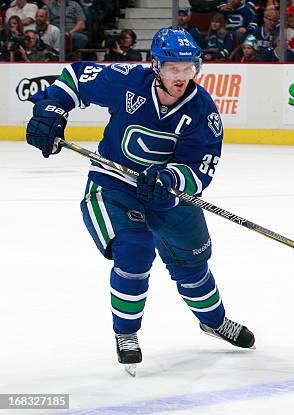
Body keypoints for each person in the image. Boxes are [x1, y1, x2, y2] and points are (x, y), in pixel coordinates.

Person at [25, 27, 255, 374]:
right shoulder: (128, 81)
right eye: (173, 69)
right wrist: (52, 111)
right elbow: (75, 76)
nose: (182, 77)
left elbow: (200, 169)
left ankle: (214, 321)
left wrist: (170, 179)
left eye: (188, 68)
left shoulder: (203, 113)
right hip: (113, 185)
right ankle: (127, 334)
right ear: (156, 66)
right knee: (135, 249)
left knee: (193, 267)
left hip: (169, 196)